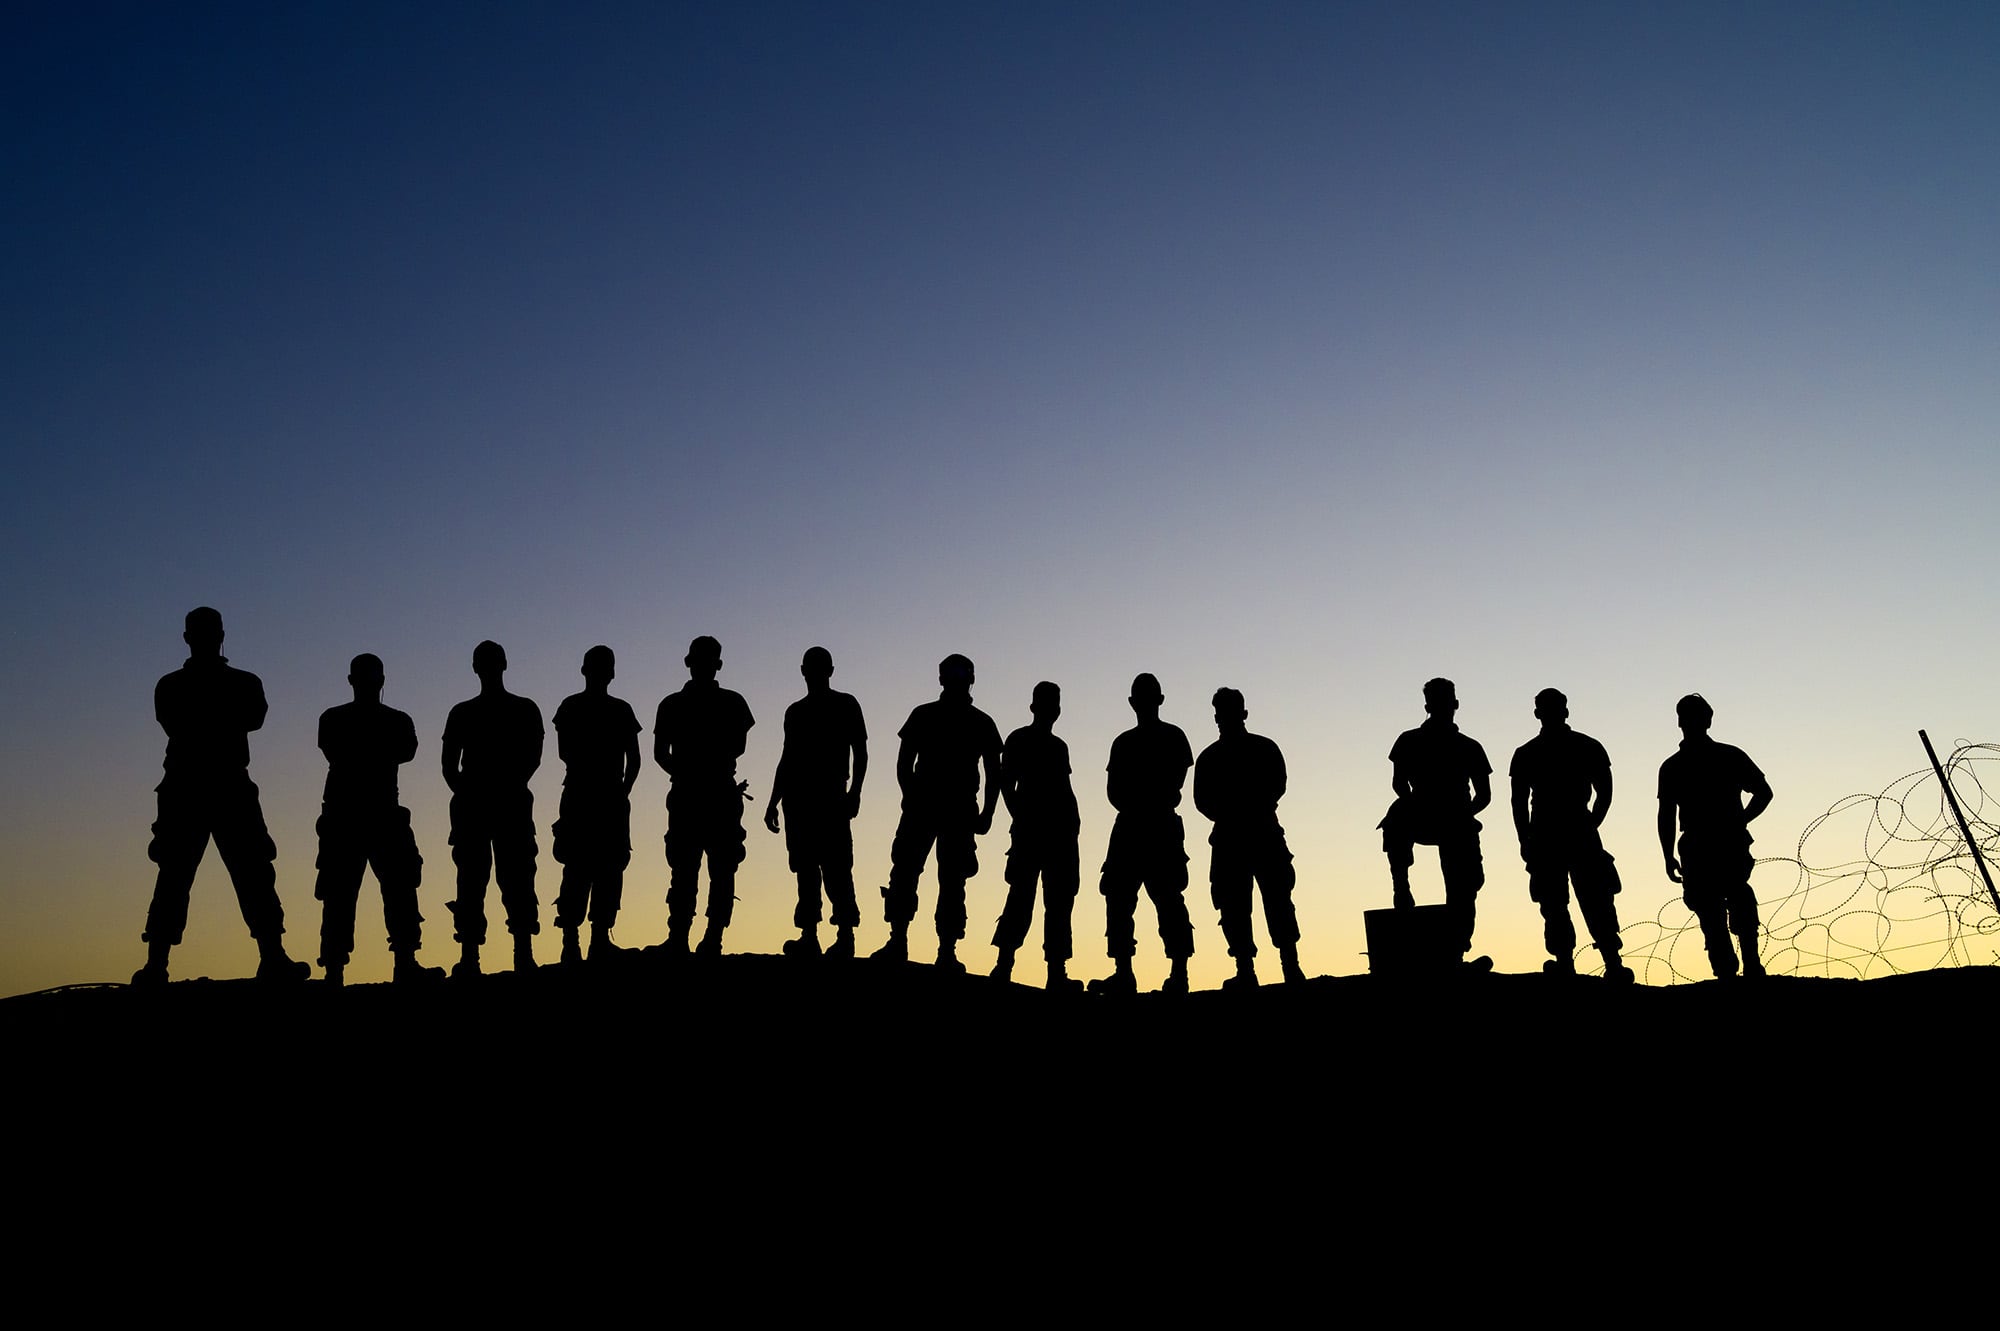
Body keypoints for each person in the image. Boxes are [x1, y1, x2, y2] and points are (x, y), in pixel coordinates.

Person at [132, 607, 309, 986]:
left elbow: (251, 718)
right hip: (197, 787)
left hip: (217, 786)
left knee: (251, 871)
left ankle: (271, 956)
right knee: (180, 874)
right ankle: (157, 963)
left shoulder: (191, 685)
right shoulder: (192, 685)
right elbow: (188, 722)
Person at [313, 653, 442, 987]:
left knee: (394, 887)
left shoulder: (343, 719)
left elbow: (404, 750)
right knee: (343, 892)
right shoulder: (360, 720)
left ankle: (394, 962)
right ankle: (339, 967)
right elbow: (395, 750)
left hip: (373, 814)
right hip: (355, 814)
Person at [875, 654, 1002, 971]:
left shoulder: (982, 722)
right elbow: (904, 763)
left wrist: (987, 812)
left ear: (970, 678)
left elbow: (994, 771)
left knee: (953, 879)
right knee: (905, 871)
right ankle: (898, 940)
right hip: (924, 806)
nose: (957, 678)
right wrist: (911, 797)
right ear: (942, 678)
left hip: (959, 811)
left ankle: (946, 950)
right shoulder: (923, 715)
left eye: (961, 673)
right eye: (951, 672)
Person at [1510, 688, 1632, 982]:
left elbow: (1518, 802)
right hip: (1565, 831)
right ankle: (1595, 961)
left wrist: (1525, 838)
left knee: (1583, 898)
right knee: (1569, 900)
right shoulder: (1582, 746)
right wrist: (1592, 823)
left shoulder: (1530, 752)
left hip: (1558, 831)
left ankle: (1588, 961)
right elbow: (1605, 791)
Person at [441, 640, 544, 977]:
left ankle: (511, 954)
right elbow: (449, 766)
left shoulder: (520, 708)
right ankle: (482, 956)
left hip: (500, 800)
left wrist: (489, 788)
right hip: (486, 802)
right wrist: (473, 792)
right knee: (478, 878)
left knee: (508, 876)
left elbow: (533, 757)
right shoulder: (467, 712)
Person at [1091, 673, 1196, 996]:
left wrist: (1147, 797)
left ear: (1158, 701)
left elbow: (1177, 779)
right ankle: (1124, 972)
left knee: (1168, 898)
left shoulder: (1173, 736)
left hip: (1158, 824)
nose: (1145, 705)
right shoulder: (1123, 742)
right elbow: (1112, 791)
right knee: (1119, 898)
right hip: (1131, 826)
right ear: (1133, 703)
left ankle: (1179, 973)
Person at [1193, 687, 1304, 990]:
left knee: (1277, 898)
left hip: (1259, 832)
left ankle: (1288, 965)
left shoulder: (1261, 749)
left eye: (1227, 711)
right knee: (1233, 904)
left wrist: (1240, 808)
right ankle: (1248, 968)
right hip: (1236, 836)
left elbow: (1277, 784)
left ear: (1242, 714)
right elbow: (1201, 800)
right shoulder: (1212, 757)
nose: (1222, 718)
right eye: (1220, 712)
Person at [1658, 693, 1773, 979]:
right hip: (1707, 844)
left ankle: (1736, 968)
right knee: (1722, 901)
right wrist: (1739, 821)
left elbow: (1764, 793)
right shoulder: (1725, 756)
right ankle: (1742, 967)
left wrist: (1739, 821)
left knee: (1723, 902)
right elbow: (1666, 814)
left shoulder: (1678, 765)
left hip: (1711, 843)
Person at [1380, 678, 1493, 970]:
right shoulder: (1409, 740)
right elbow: (1399, 784)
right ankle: (1401, 886)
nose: (1444, 706)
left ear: (1454, 705)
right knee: (1395, 820)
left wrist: (1462, 814)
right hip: (1421, 810)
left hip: (1455, 816)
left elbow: (1484, 795)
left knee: (1465, 885)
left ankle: (1455, 951)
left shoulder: (1469, 746)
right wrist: (1417, 803)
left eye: (1447, 700)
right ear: (1428, 705)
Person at [653, 635, 755, 957]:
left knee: (714, 868)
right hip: (704, 792)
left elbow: (660, 754)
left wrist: (684, 771)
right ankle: (687, 936)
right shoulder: (723, 703)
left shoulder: (677, 704)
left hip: (706, 793)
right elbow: (737, 746)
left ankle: (708, 937)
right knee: (691, 867)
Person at [764, 646, 867, 960]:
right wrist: (773, 802)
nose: (815, 673)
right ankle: (810, 936)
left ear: (830, 670)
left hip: (831, 796)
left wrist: (855, 793)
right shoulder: (795, 712)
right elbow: (787, 758)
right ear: (803, 671)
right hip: (799, 801)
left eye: (819, 667)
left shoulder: (846, 704)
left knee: (837, 868)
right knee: (805, 869)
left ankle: (845, 936)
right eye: (811, 667)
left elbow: (860, 752)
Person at [551, 645, 642, 964]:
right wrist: (620, 791)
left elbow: (634, 760)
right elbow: (633, 760)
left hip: (596, 795)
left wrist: (622, 793)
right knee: (581, 866)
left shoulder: (594, 708)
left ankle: (591, 940)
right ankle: (575, 941)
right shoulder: (580, 707)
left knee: (604, 868)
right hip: (588, 795)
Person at [991, 682, 1082, 990]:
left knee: (1058, 902)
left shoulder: (1059, 747)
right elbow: (1006, 783)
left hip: (1059, 834)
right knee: (1021, 897)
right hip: (1032, 831)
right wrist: (1020, 814)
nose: (1051, 709)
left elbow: (1064, 789)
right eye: (1047, 703)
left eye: (1055, 703)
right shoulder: (1019, 739)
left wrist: (1073, 825)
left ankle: (1056, 972)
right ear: (1034, 707)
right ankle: (1004, 964)